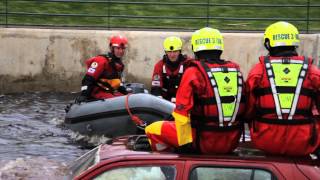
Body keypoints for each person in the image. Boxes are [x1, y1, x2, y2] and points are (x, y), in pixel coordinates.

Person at [145, 27, 246, 154]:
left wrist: (184, 145)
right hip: (231, 140)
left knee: (152, 129)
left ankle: (169, 162)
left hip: (203, 140)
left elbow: (182, 115)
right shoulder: (236, 70)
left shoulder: (193, 71)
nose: (172, 54)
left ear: (195, 47)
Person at [245, 21, 320, 156]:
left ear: (268, 43)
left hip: (265, 139)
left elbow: (248, 109)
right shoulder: (312, 71)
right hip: (303, 141)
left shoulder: (258, 71)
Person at [75, 35, 128, 103]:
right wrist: (84, 95)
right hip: (98, 93)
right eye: (118, 48)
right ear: (112, 48)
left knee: (127, 98)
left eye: (123, 49)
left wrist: (126, 92)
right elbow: (88, 79)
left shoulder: (119, 65)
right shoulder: (101, 61)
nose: (121, 51)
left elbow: (116, 83)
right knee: (122, 101)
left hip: (109, 92)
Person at [150, 36, 191, 103]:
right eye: (169, 51)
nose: (172, 55)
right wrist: (159, 100)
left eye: (175, 51)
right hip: (164, 100)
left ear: (179, 51)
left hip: (183, 100)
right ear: (165, 52)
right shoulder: (159, 65)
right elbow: (155, 87)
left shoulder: (187, 64)